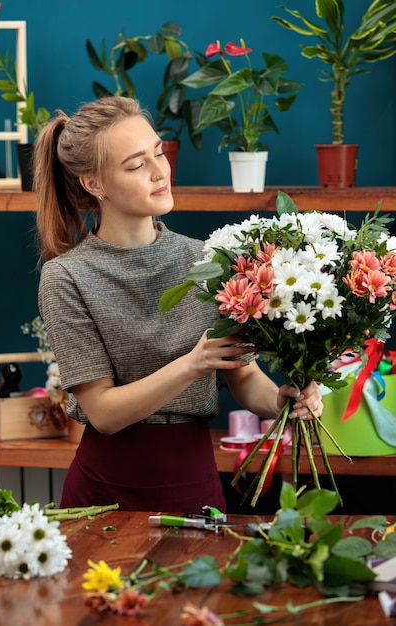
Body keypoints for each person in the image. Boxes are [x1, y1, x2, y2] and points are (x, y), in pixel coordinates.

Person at [34, 96, 323, 513]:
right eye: (136, 165)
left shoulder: (208, 259)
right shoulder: (66, 277)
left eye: (158, 153)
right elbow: (104, 414)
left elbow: (244, 378)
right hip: (104, 493)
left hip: (194, 479)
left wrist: (282, 400)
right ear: (93, 184)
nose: (159, 172)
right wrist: (193, 363)